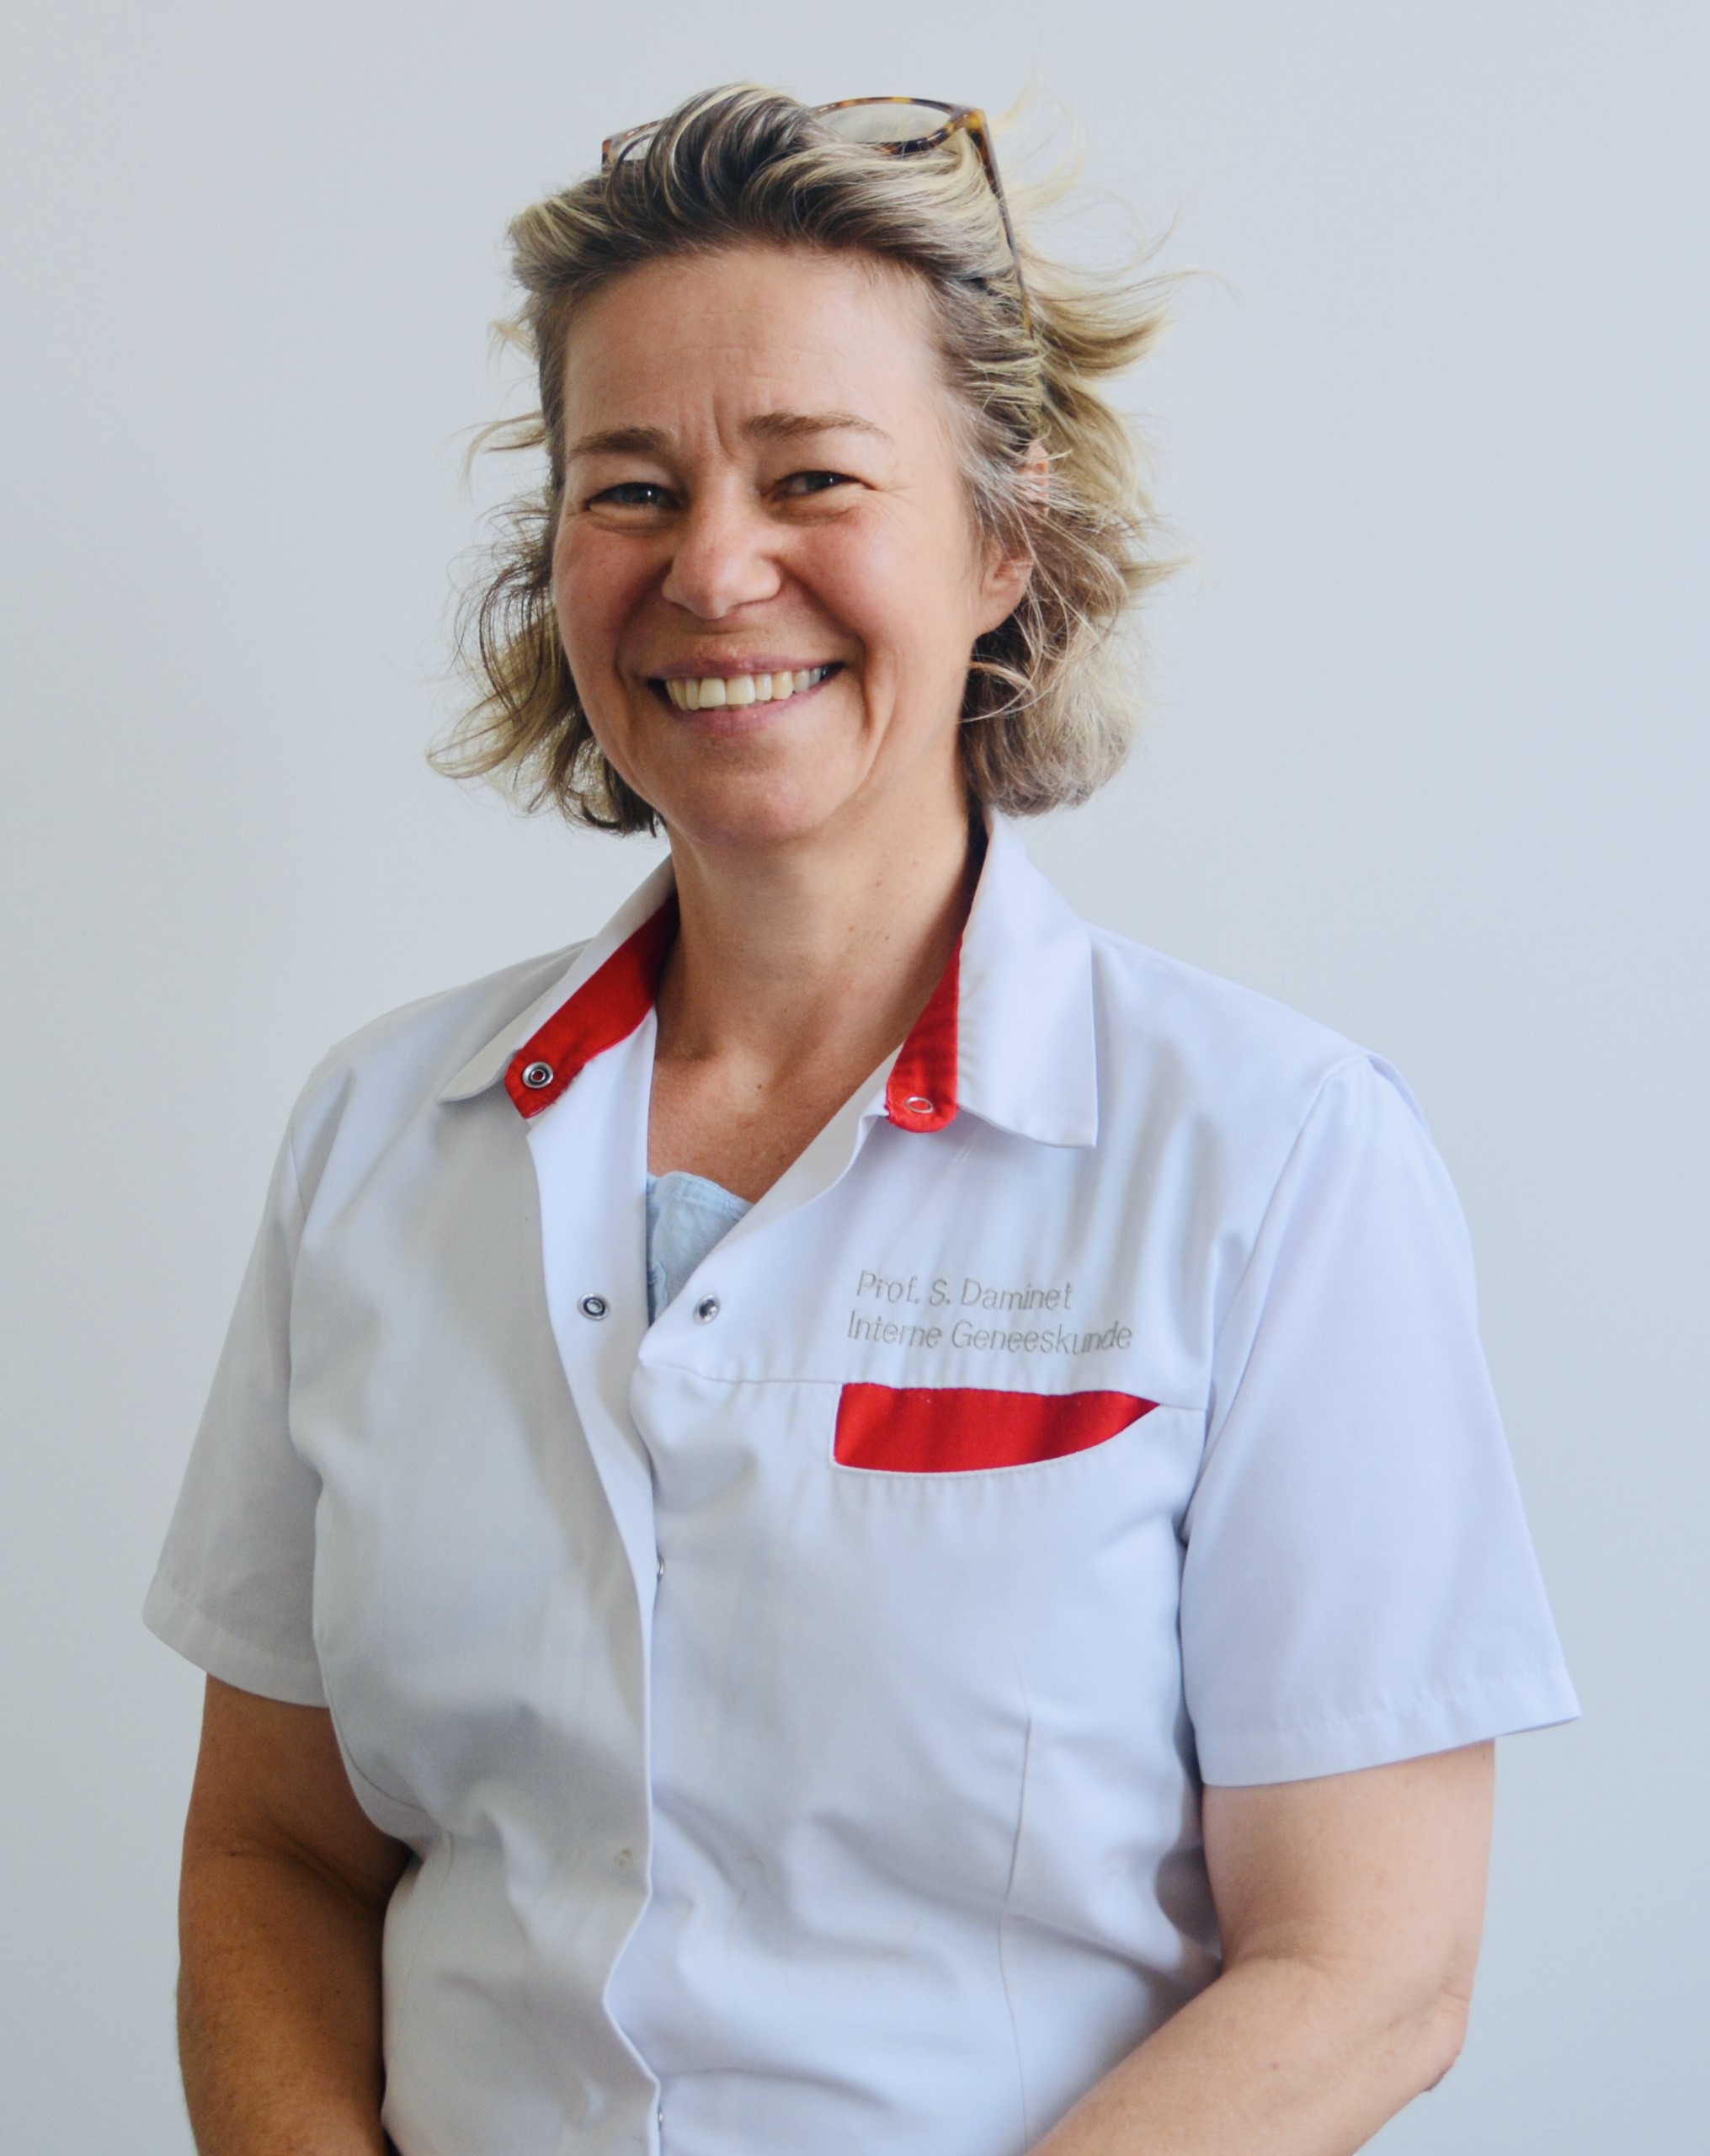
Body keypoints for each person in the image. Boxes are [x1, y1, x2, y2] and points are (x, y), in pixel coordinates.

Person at [146, 84, 1578, 2156]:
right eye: (628, 488)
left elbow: (1365, 1971)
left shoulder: (1271, 1156)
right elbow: (273, 1851)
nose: (713, 567)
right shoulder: (379, 1135)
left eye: (810, 474)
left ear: (1003, 539)